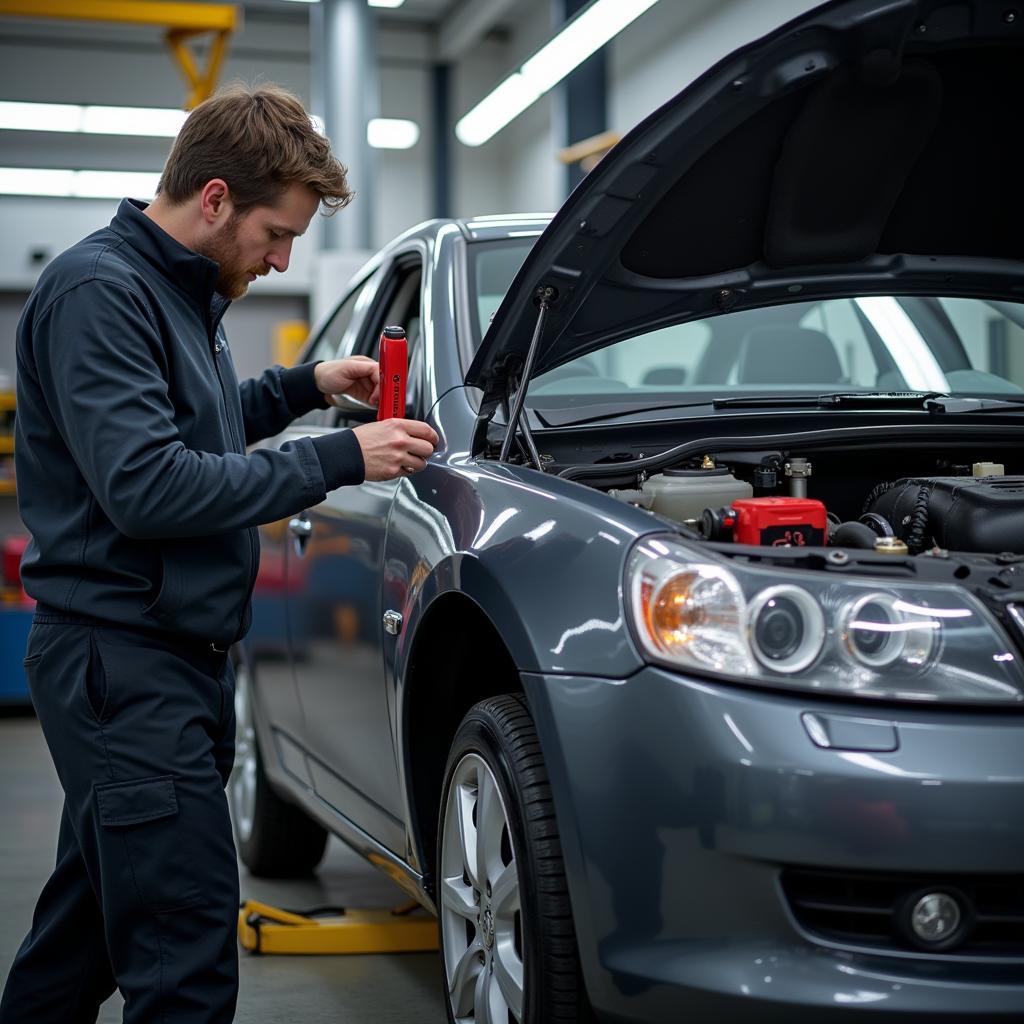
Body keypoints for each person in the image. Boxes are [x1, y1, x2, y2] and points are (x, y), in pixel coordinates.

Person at [0, 83, 439, 1023]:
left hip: (166, 664)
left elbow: (200, 426)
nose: (281, 259)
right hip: (124, 670)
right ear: (212, 199)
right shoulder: (100, 292)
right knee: (185, 960)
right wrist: (340, 457)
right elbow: (151, 486)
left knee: (81, 945)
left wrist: (304, 388)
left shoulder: (172, 289)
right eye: (275, 235)